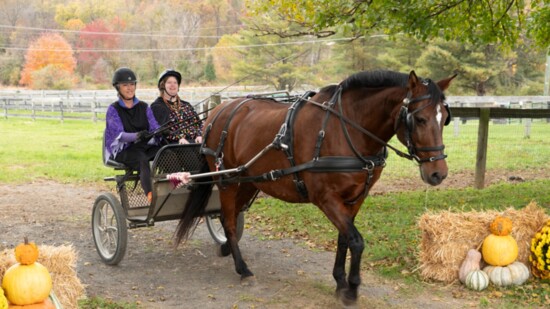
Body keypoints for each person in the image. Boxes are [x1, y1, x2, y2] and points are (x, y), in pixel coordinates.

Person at [104, 67, 161, 202]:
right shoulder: (113, 109)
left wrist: (161, 131)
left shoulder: (144, 107)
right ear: (118, 88)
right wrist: (137, 136)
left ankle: (176, 187)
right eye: (125, 85)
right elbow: (119, 135)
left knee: (165, 152)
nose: (130, 88)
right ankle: (151, 196)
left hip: (142, 146)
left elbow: (154, 126)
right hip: (124, 150)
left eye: (132, 84)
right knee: (142, 159)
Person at [151, 69, 203, 144]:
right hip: (174, 146)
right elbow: (160, 130)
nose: (173, 85)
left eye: (175, 82)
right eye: (169, 82)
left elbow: (199, 124)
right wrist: (179, 138)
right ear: (162, 85)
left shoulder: (186, 105)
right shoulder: (157, 106)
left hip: (195, 143)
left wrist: (199, 135)